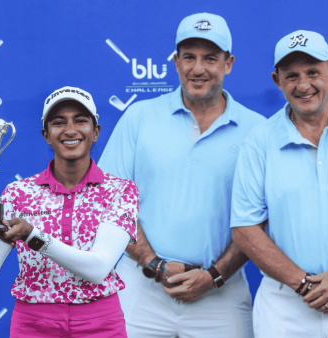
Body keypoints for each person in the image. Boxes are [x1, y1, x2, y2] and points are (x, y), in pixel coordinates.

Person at [98, 13, 265, 338]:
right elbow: (110, 201)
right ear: (175, 61)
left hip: (221, 292)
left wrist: (215, 275)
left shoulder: (258, 130)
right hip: (139, 288)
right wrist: (152, 264)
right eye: (189, 57)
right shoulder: (139, 117)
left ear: (228, 63)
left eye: (210, 58)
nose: (198, 68)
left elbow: (261, 219)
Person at [0, 86, 139, 338]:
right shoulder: (17, 193)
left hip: (100, 321)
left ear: (96, 132)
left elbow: (98, 268)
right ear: (47, 135)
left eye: (80, 120)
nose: (70, 130)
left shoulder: (120, 191)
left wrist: (33, 236)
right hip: (33, 323)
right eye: (58, 123)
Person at [230, 30, 328, 337]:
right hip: (285, 303)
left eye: (313, 72)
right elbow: (245, 228)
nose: (303, 85)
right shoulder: (259, 141)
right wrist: (304, 284)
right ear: (277, 81)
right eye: (291, 76)